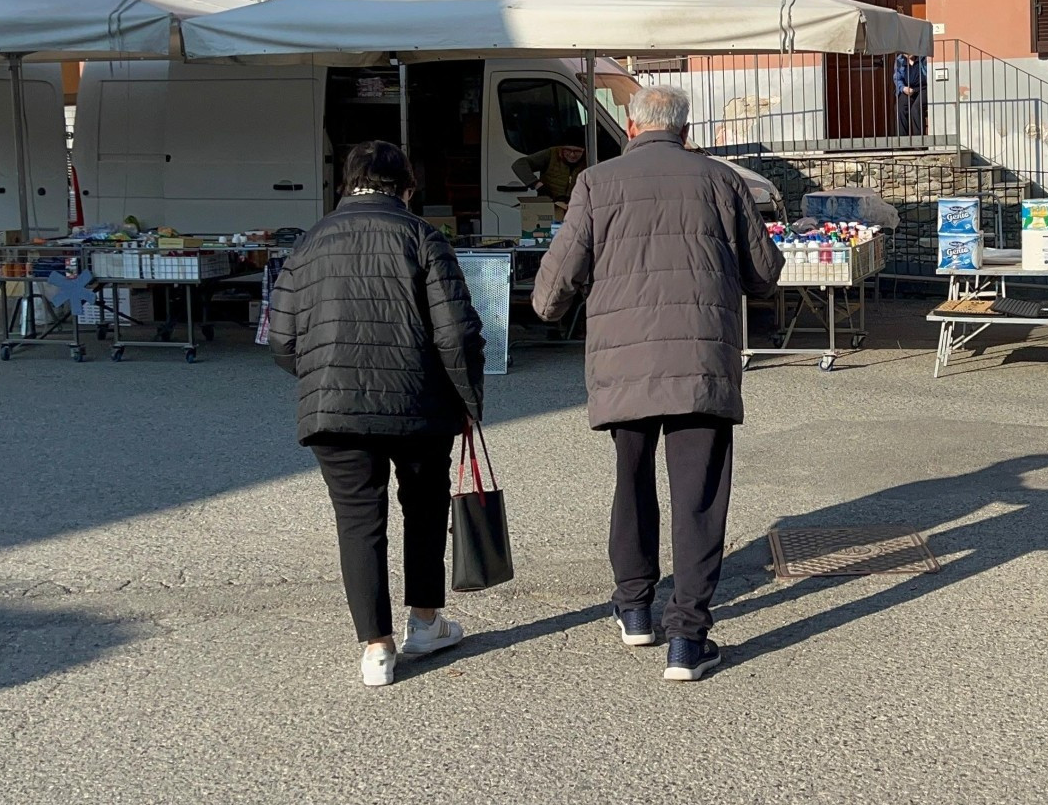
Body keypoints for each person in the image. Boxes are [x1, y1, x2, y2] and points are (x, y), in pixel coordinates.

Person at [531, 85, 784, 682]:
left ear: (631, 124)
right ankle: (688, 639)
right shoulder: (722, 182)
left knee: (632, 481)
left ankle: (635, 607)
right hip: (700, 363)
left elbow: (552, 290)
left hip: (626, 366)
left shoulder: (596, 182)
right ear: (686, 129)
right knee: (697, 497)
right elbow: (765, 273)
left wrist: (552, 304)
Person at [268, 140, 486, 687]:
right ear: (405, 186)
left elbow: (281, 338)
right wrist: (469, 400)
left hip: (333, 405)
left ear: (347, 184)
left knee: (358, 523)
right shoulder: (422, 237)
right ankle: (425, 621)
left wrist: (321, 376)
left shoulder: (310, 242)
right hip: (418, 403)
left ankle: (376, 648)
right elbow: (457, 332)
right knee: (425, 508)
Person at [511, 127, 588, 203]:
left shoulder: (590, 160)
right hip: (549, 205)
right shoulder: (551, 154)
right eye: (568, 150)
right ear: (561, 148)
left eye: (577, 151)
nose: (572, 155)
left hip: (576, 206)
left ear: (584, 150)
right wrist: (537, 185)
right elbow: (519, 164)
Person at [893, 53, 927, 136]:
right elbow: (897, 78)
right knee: (899, 108)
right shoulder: (899, 61)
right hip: (908, 89)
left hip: (923, 88)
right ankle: (902, 141)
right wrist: (903, 88)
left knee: (916, 109)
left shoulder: (923, 58)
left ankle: (919, 141)